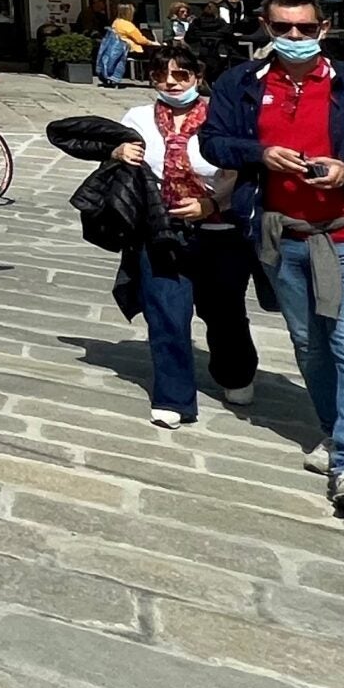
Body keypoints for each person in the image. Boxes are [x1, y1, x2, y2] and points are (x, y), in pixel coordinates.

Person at [200, 0, 344, 522]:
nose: (294, 38)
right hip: (284, 237)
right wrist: (259, 153)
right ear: (265, 26)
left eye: (305, 28)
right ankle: (333, 430)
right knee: (311, 345)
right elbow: (212, 142)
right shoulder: (240, 85)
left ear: (324, 29)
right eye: (283, 28)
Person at [111, 42, 258, 429]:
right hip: (160, 231)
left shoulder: (221, 118)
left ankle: (236, 372)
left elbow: (241, 171)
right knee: (167, 315)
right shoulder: (139, 117)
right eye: (161, 75)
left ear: (198, 77)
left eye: (180, 75)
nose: (171, 83)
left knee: (223, 312)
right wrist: (118, 152)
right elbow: (119, 159)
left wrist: (210, 205)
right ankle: (174, 398)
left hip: (220, 231)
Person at [97, 0, 152, 88]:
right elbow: (141, 40)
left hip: (117, 48)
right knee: (154, 54)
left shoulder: (116, 22)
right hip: (130, 50)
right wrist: (153, 42)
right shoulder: (127, 25)